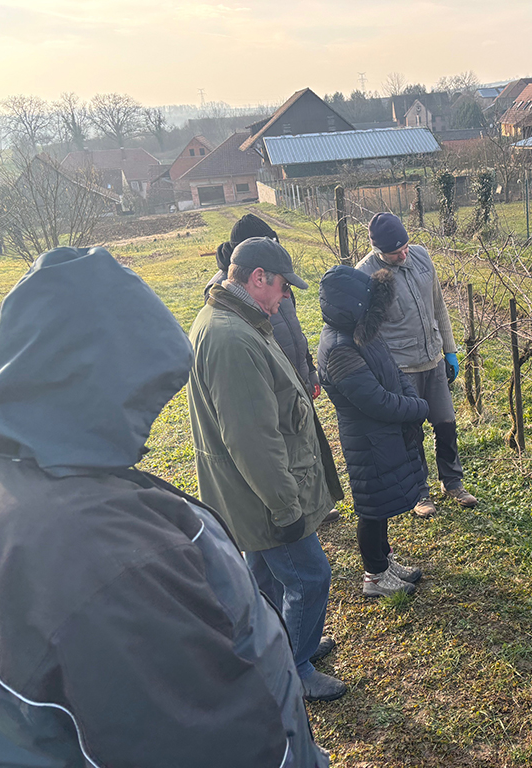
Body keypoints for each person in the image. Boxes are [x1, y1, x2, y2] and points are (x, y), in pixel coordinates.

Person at [0, 246, 329, 767]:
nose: (146, 430)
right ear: (93, 378)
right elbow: (212, 737)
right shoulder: (112, 558)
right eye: (141, 396)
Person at [188, 237, 346, 702]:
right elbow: (251, 440)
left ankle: (274, 649)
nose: (285, 296)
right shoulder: (233, 338)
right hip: (262, 495)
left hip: (248, 492)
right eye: (282, 286)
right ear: (258, 278)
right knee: (310, 576)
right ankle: (294, 668)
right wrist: (285, 508)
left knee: (263, 578)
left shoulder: (237, 321)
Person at [317, 265, 430, 597]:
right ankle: (375, 576)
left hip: (384, 436)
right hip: (368, 442)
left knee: (381, 506)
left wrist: (412, 398)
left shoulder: (361, 331)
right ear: (353, 306)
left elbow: (393, 371)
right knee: (371, 509)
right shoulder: (339, 348)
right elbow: (376, 401)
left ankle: (385, 560)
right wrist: (418, 408)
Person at [356, 213, 476, 518]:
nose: (404, 254)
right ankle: (419, 491)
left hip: (433, 359)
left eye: (405, 247)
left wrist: (449, 350)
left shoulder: (421, 257)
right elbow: (366, 331)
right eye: (396, 252)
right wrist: (380, 371)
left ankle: (452, 481)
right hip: (401, 368)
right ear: (378, 250)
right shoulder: (365, 274)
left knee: (446, 423)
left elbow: (438, 306)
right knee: (411, 432)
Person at [208, 212, 320, 398]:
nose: (286, 293)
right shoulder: (225, 293)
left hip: (297, 383)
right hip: (275, 393)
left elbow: (293, 329)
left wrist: (308, 369)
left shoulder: (277, 278)